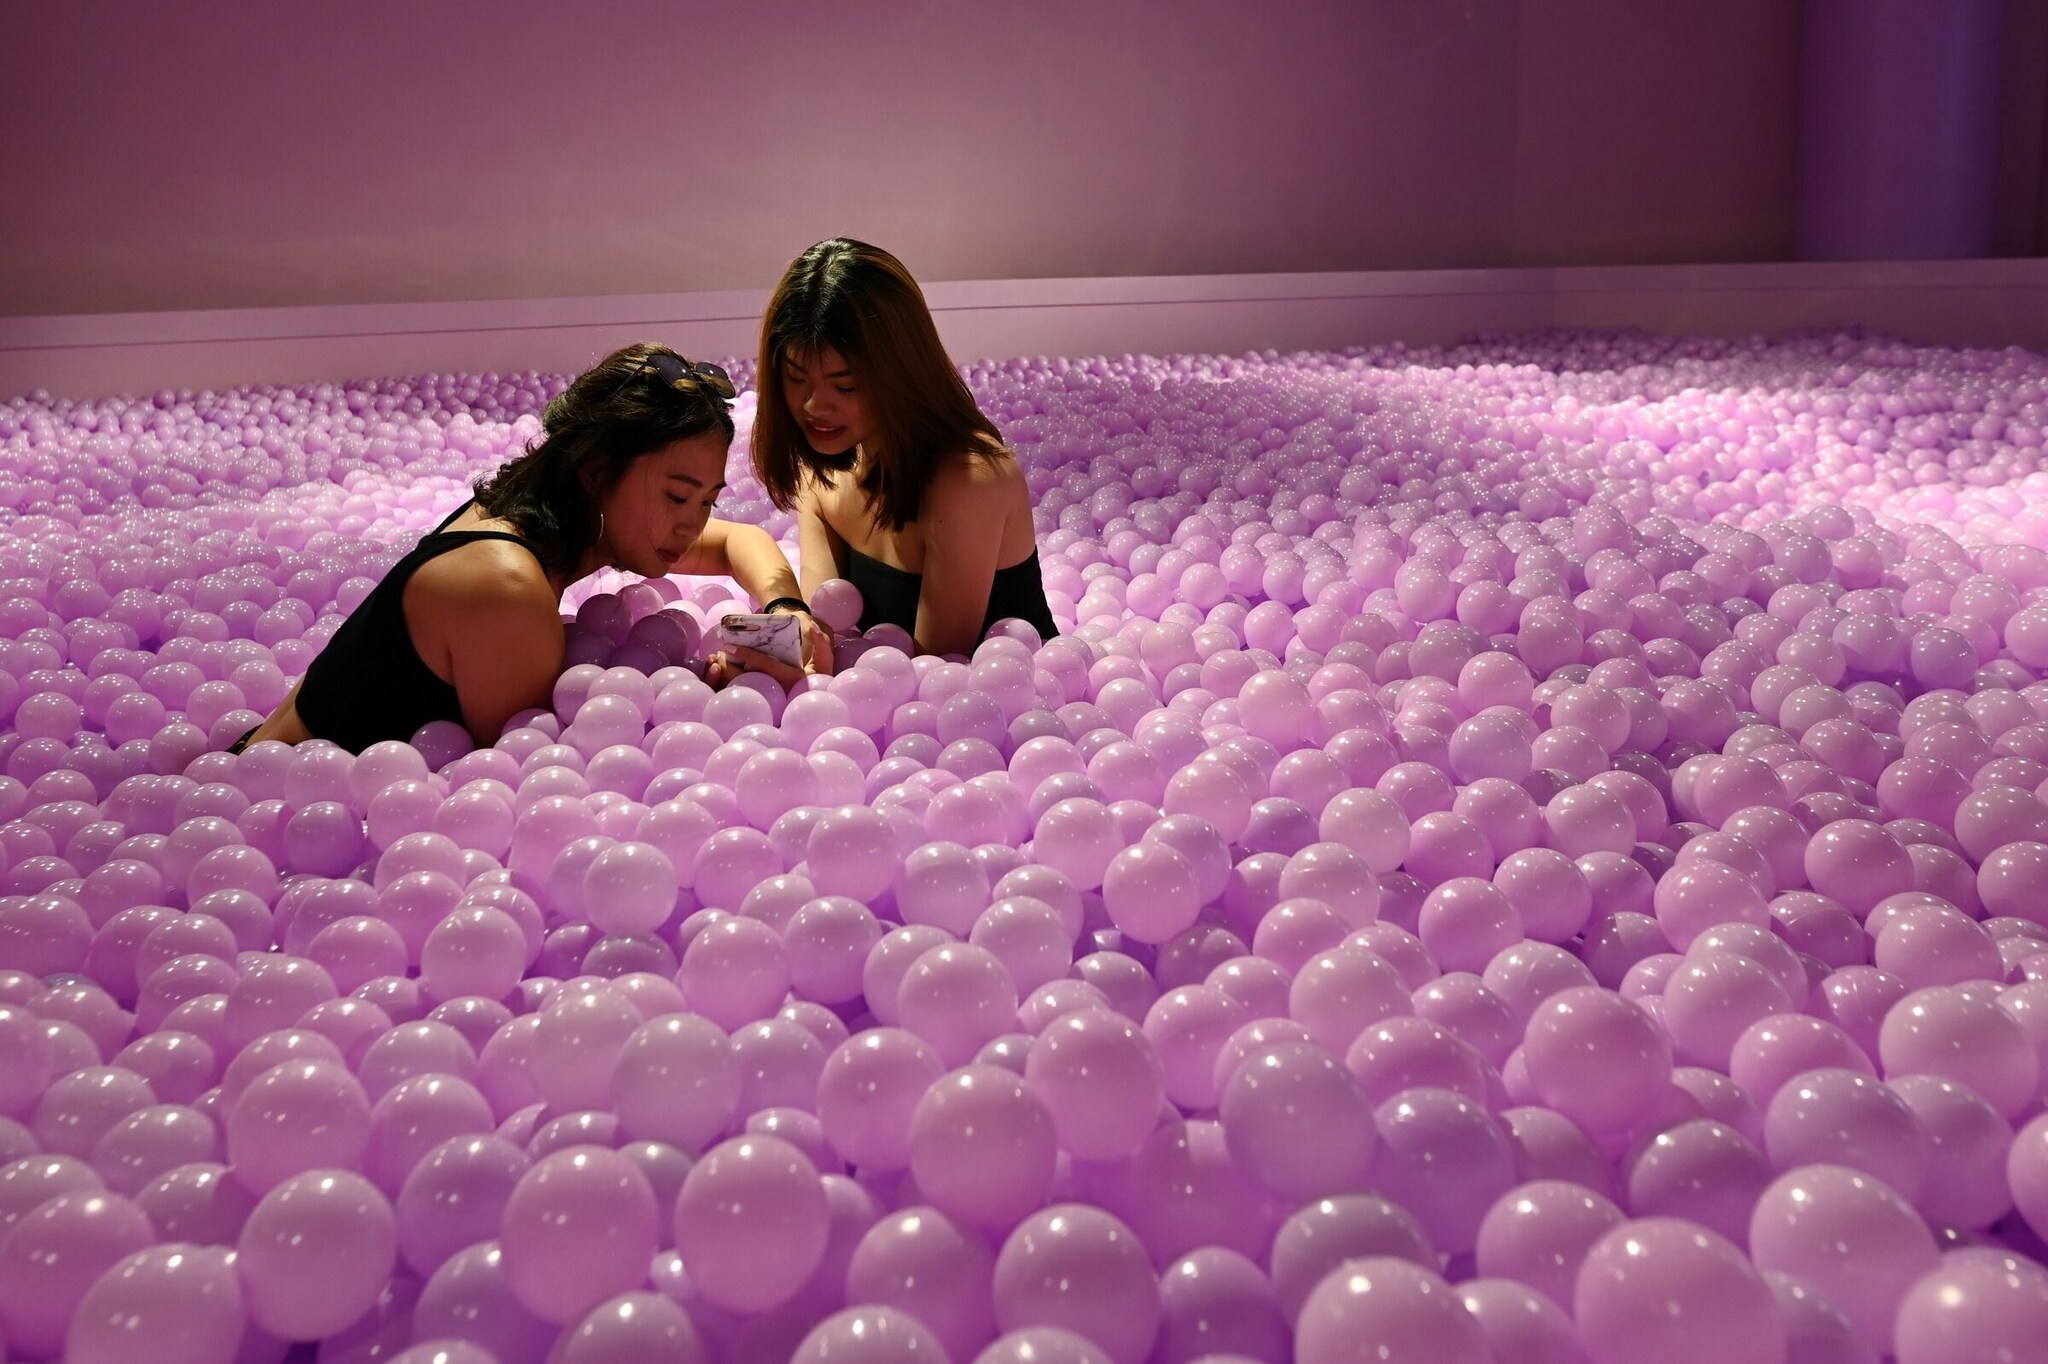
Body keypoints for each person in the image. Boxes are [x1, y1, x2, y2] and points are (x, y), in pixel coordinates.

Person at [236, 342, 829, 754]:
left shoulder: (535, 516)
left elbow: (742, 538)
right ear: (596, 472)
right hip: (286, 811)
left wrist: (786, 610)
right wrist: (714, 696)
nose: (693, 524)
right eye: (677, 497)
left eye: (706, 500)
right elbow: (533, 777)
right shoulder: (505, 586)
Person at [751, 238, 1058, 656]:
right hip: (879, 687)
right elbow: (822, 638)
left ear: (901, 373)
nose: (814, 406)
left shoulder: (970, 480)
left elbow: (935, 667)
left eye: (845, 386)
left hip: (1015, 690)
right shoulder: (824, 473)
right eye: (796, 378)